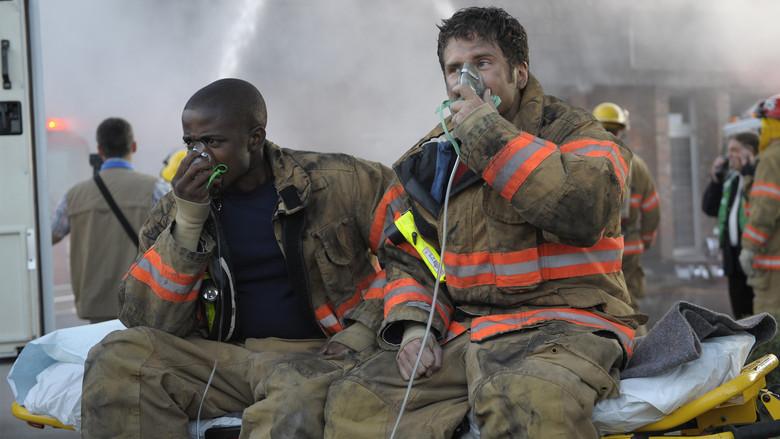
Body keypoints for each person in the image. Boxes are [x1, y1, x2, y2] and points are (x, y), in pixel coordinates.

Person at [325, 7, 639, 438]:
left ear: (520, 73)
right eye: (455, 69)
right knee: (357, 399)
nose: (466, 80)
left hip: (571, 325)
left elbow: (585, 209)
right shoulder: (431, 162)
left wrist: (486, 135)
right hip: (472, 331)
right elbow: (415, 260)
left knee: (526, 399)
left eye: (482, 63)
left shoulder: (576, 134)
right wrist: (418, 330)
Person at [81, 79, 394, 438]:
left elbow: (416, 257)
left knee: (290, 402)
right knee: (118, 358)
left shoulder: (342, 181)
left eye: (213, 142)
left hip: (319, 357)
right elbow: (145, 321)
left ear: (255, 138)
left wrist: (363, 331)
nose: (198, 157)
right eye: (190, 143)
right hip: (227, 359)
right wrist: (187, 224)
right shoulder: (176, 208)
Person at [51, 117, 169, 323]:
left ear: (99, 150)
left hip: (95, 304)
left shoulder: (74, 196)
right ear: (133, 146)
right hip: (142, 299)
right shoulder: (155, 188)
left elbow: (51, 235)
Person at [593, 102, 660, 325]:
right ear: (621, 130)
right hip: (628, 246)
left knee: (600, 306)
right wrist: (646, 240)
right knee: (629, 304)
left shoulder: (584, 162)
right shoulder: (636, 164)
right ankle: (638, 351)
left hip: (594, 249)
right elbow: (651, 208)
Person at [702, 132, 758, 319]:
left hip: (753, 255)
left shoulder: (759, 177)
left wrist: (750, 173)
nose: (729, 155)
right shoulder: (732, 180)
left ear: (749, 152)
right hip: (733, 258)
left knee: (759, 313)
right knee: (742, 317)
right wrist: (716, 180)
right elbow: (710, 208)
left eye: (734, 150)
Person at [740, 94, 780, 318]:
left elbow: (765, 208)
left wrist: (749, 247)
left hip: (773, 268)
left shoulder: (772, 157)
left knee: (771, 327)